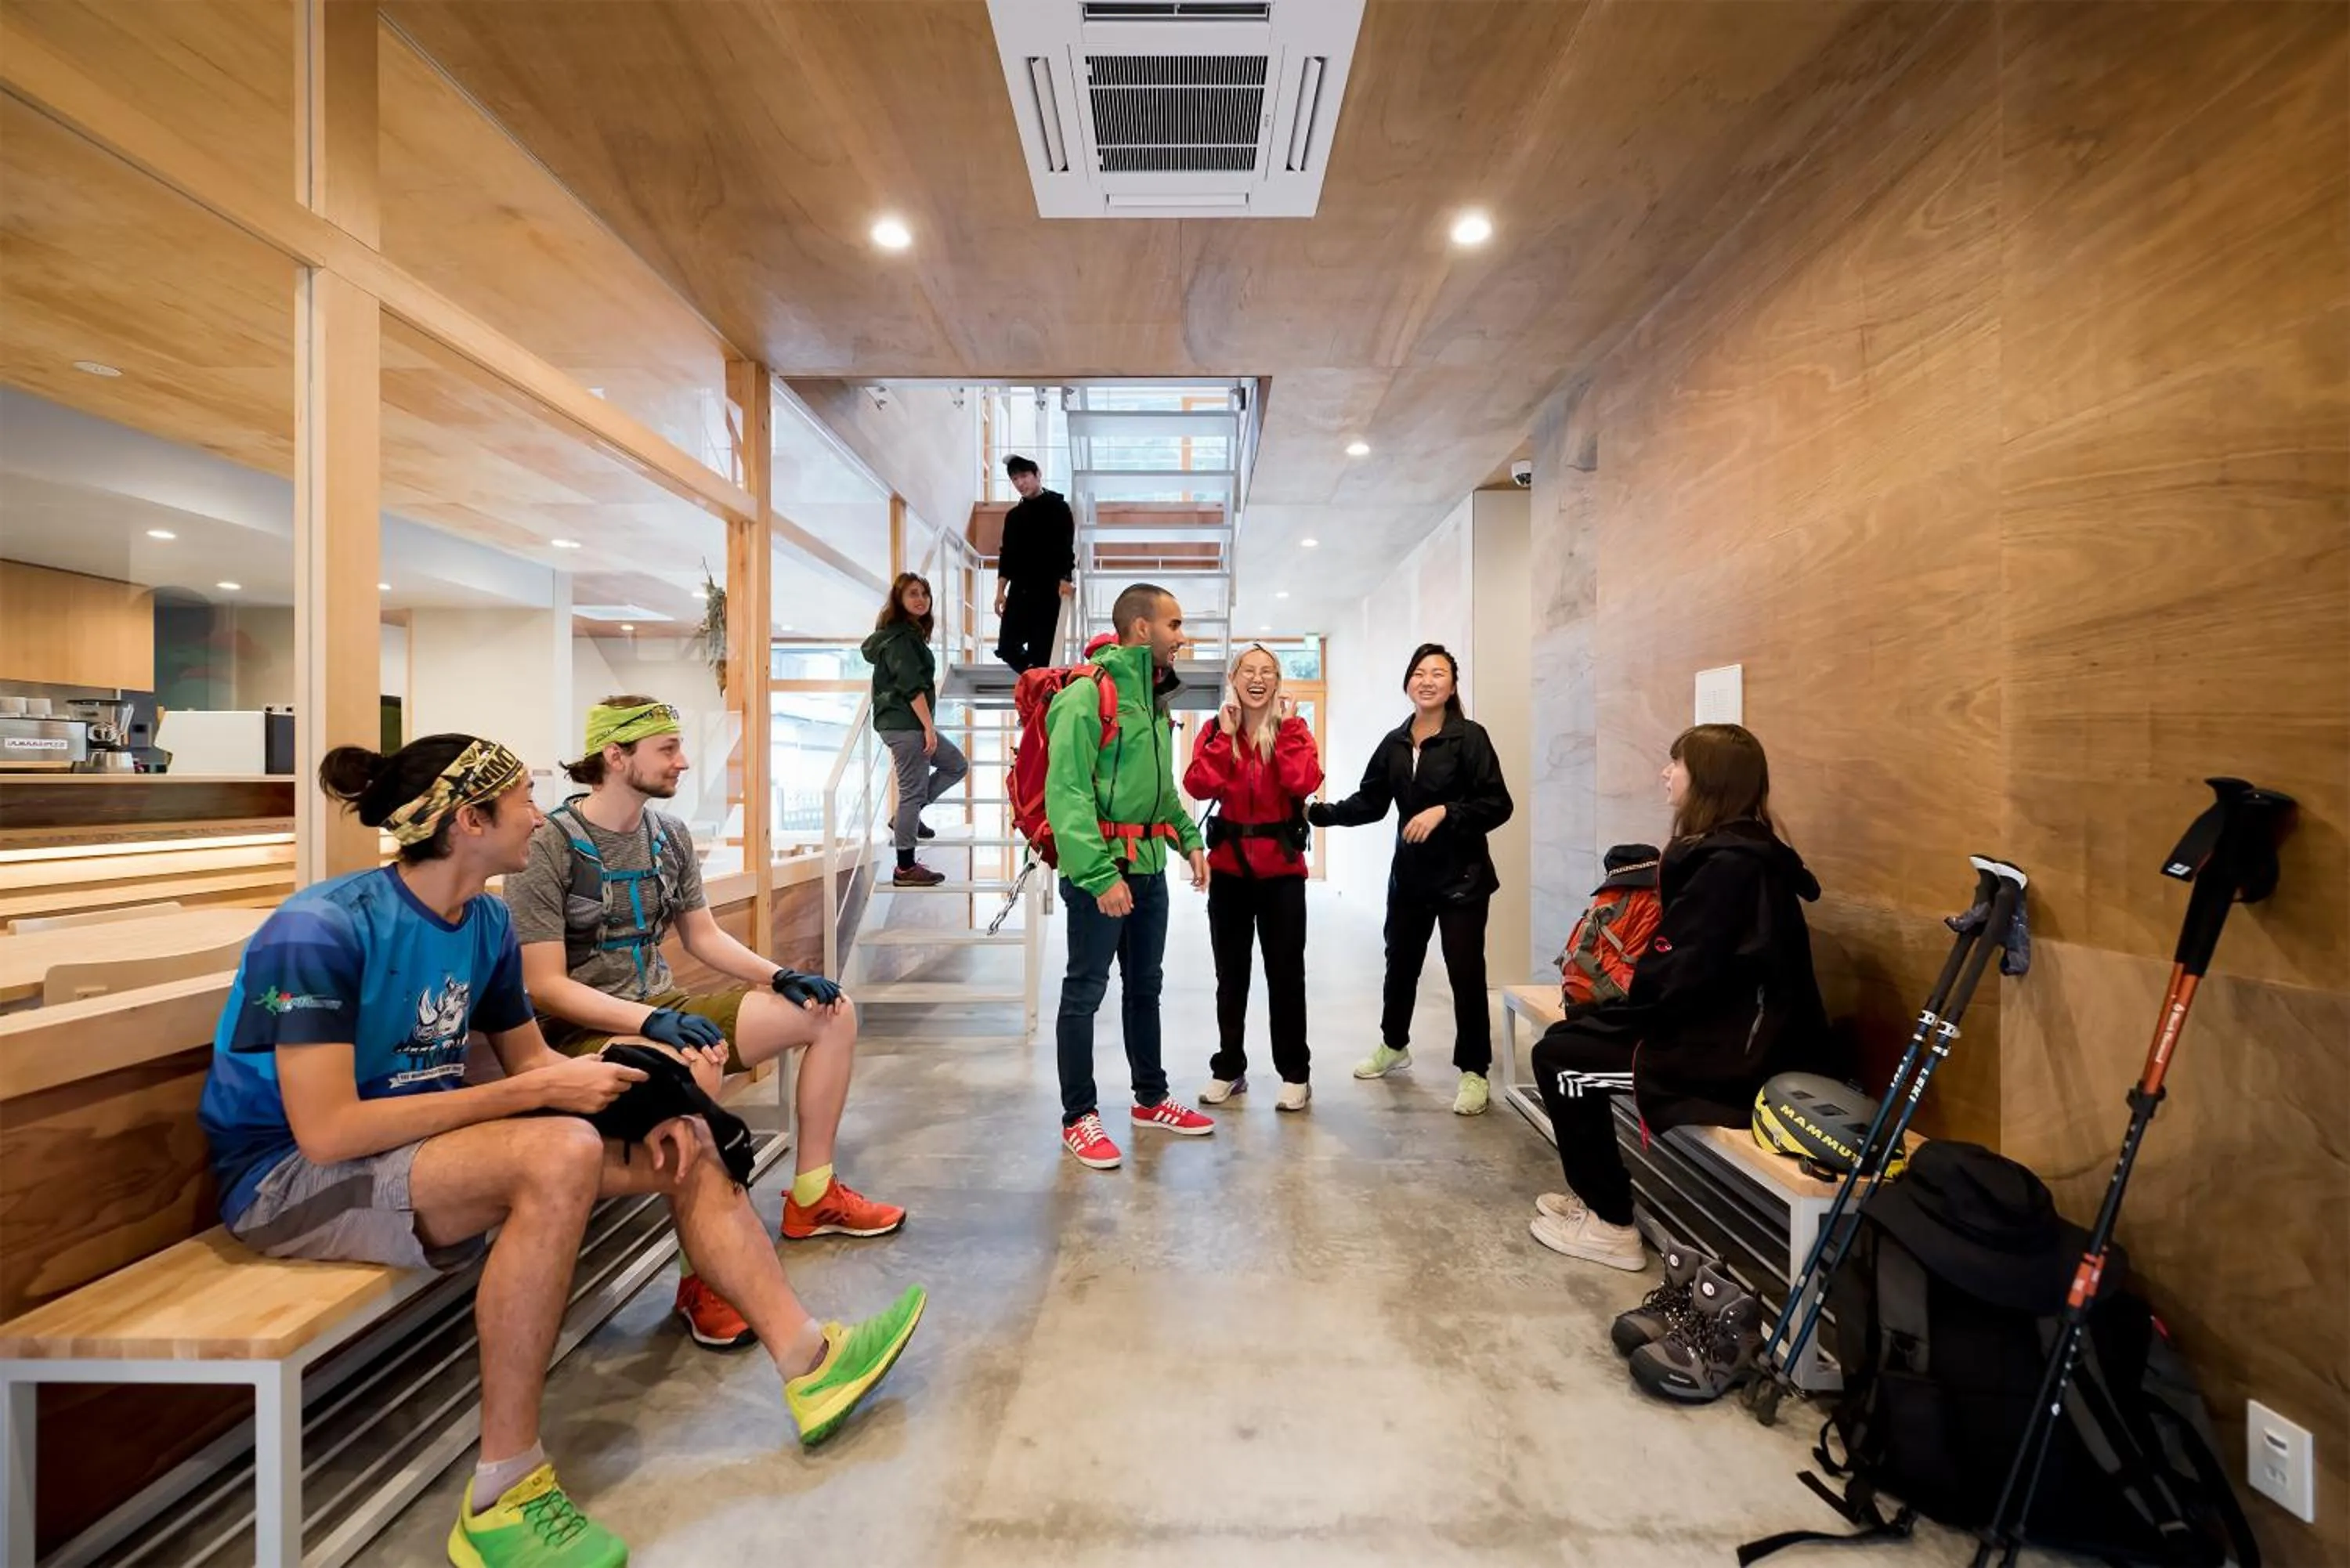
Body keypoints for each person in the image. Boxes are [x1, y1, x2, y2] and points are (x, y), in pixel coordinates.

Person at [199, 735, 926, 1568]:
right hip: (289, 1181)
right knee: (556, 1155)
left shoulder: (484, 923)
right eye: (519, 803)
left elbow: (534, 1062)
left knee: (681, 1137)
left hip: (417, 1145)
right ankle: (502, 1489)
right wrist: (543, 1097)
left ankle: (810, 1360)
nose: (536, 817)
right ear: (468, 821)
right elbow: (326, 1131)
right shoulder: (317, 931)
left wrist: (635, 1094)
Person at [504, 696, 905, 1355]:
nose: (683, 761)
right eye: (667, 749)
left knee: (832, 1013)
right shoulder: (548, 844)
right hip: (584, 1034)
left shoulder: (668, 835)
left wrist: (778, 976)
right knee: (697, 1063)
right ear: (615, 756)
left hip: (664, 1010)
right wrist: (652, 1020)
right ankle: (703, 1278)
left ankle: (812, 1195)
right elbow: (545, 985)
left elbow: (702, 935)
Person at [1526, 723, 1831, 1272]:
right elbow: (1680, 978)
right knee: (1570, 1036)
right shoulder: (1731, 854)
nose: (1666, 774)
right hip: (1715, 1028)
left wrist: (1616, 1014)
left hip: (1736, 1056)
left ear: (1709, 781)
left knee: (1560, 1060)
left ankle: (1612, 1222)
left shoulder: (1730, 867)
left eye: (1677, 764)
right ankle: (1600, 1200)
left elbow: (1679, 979)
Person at [1049, 581, 1216, 1169]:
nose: (1182, 635)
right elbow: (1065, 794)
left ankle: (1151, 1098)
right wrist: (1098, 875)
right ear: (1141, 629)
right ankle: (1080, 1117)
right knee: (1084, 993)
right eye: (1175, 624)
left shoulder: (1153, 699)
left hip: (1148, 874)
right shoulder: (1085, 695)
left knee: (1146, 990)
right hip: (1104, 875)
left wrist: (1190, 840)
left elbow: (1163, 793)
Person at [1308, 643, 1513, 1116]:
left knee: (1466, 973)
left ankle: (1474, 1070)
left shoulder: (1471, 738)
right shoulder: (1396, 742)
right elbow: (1370, 802)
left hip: (1463, 877)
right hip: (1410, 877)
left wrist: (1446, 811)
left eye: (1438, 673)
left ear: (1452, 685)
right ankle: (1394, 1045)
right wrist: (1316, 813)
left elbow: (1498, 804)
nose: (1427, 680)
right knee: (1400, 965)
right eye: (1419, 673)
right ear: (1408, 683)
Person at [1184, 644, 1323, 1111]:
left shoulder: (1295, 730)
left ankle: (1295, 1073)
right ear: (1234, 677)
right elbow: (1199, 785)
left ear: (1278, 680)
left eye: (1267, 671)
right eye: (1249, 670)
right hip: (1230, 873)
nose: (1257, 678)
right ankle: (1229, 1068)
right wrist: (1224, 738)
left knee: (1286, 975)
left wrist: (1281, 733)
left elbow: (1303, 782)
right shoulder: (1215, 731)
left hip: (1282, 874)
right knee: (1232, 976)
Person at [862, 571, 967, 887]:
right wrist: (928, 728)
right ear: (899, 600)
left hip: (904, 723)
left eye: (924, 593)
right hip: (907, 724)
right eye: (912, 594)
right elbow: (911, 687)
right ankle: (905, 868)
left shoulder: (905, 635)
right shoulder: (901, 639)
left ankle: (905, 819)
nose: (920, 599)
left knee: (956, 765)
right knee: (911, 792)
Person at [993, 454, 1076, 673]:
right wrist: (1000, 590)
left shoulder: (1059, 508)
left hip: (1049, 590)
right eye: (1015, 479)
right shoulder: (1013, 516)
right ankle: (1034, 674)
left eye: (1024, 476)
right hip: (1020, 590)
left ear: (1038, 475)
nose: (1020, 483)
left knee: (1043, 654)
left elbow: (1066, 549)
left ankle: (1040, 687)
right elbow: (1007, 555)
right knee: (1007, 648)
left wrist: (1066, 579)